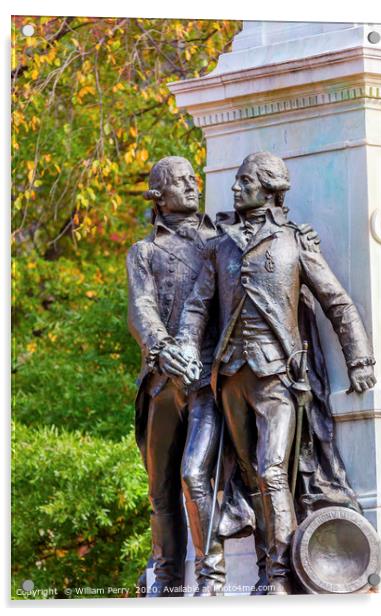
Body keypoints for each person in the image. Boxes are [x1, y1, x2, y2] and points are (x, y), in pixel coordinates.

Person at [164, 151, 376, 595]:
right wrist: (184, 343)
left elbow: (336, 300)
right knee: (248, 475)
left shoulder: (293, 241)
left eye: (245, 181)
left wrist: (359, 359)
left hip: (277, 376)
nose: (236, 187)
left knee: (273, 470)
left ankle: (280, 574)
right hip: (231, 379)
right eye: (237, 180)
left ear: (269, 189)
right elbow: (198, 306)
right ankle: (264, 566)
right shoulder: (220, 245)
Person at [126, 156, 224, 596]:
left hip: (207, 381)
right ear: (159, 195)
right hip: (162, 382)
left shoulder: (218, 241)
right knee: (160, 489)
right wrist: (163, 349)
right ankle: (166, 582)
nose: (191, 185)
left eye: (193, 179)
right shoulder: (144, 252)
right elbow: (140, 307)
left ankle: (211, 574)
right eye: (181, 181)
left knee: (193, 476)